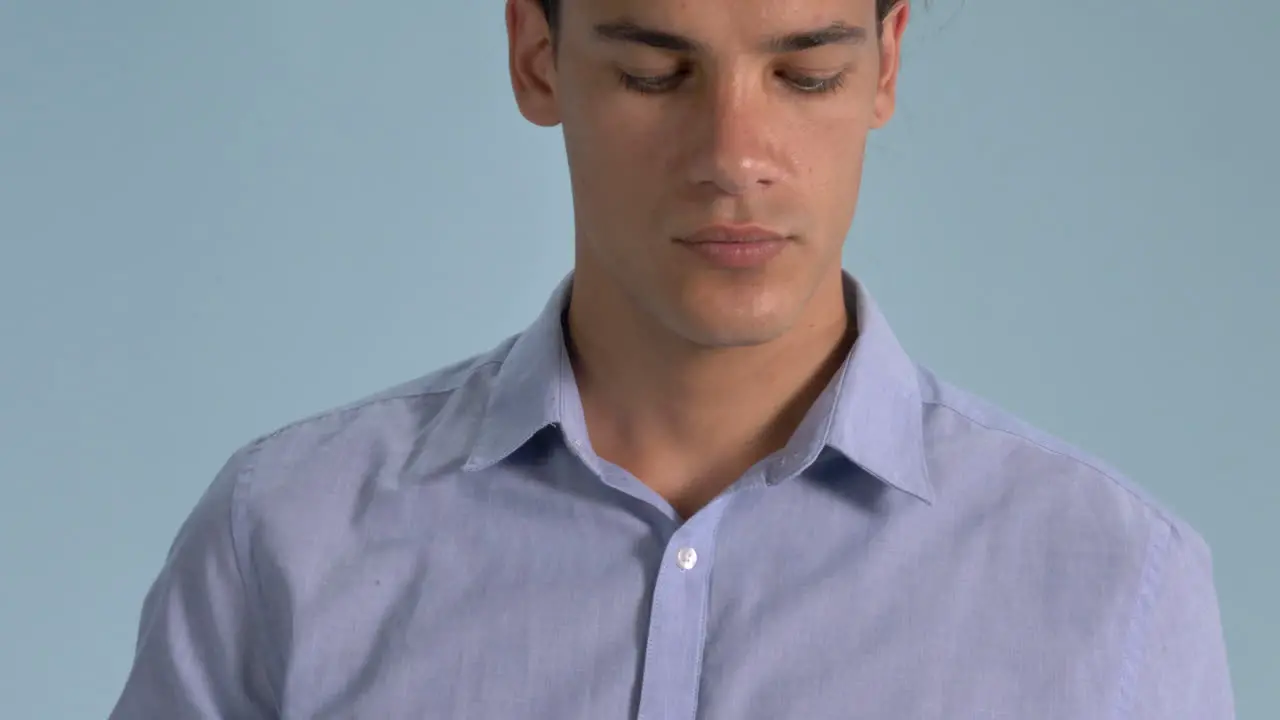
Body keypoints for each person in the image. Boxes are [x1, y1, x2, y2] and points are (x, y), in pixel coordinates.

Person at [110, 0, 1236, 717]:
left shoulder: (1113, 587)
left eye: (804, 77)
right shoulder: (286, 540)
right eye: (656, 74)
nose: (733, 157)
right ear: (535, 56)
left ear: (885, 66)